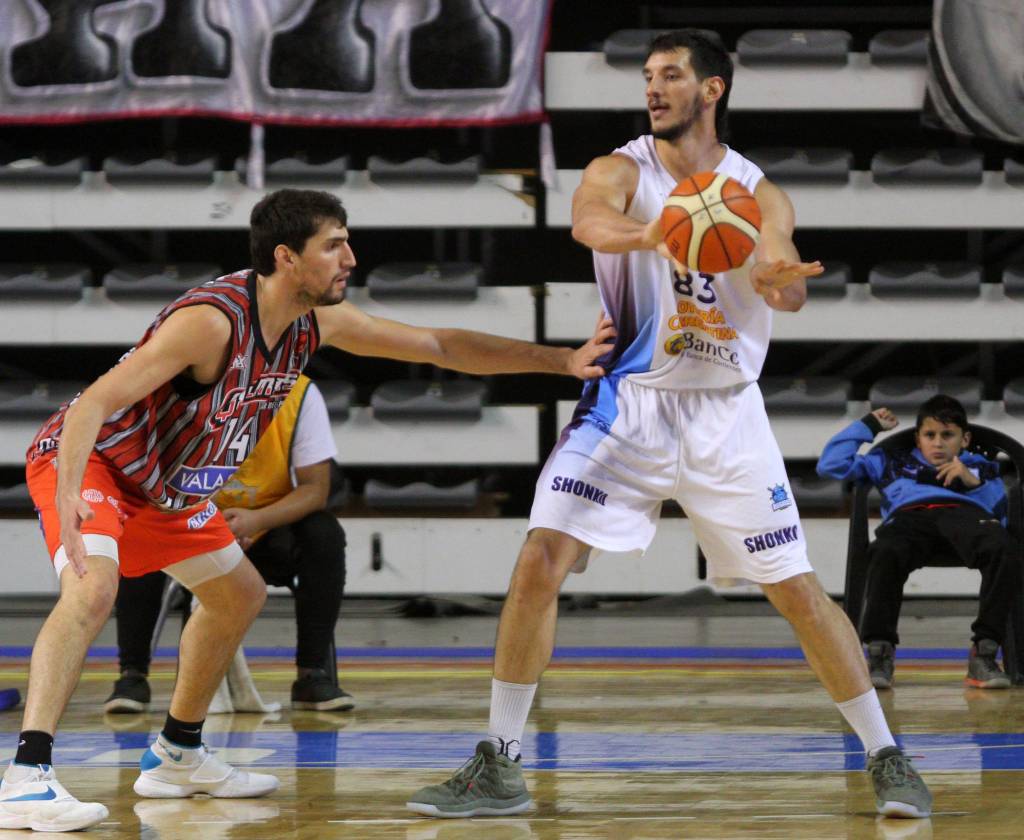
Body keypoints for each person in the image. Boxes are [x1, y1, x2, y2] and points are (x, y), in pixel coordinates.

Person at [406, 29, 932, 821]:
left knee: (797, 591)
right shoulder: (622, 170)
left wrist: (778, 279)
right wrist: (656, 231)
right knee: (541, 557)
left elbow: (785, 282)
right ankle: (500, 762)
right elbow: (589, 223)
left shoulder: (758, 191)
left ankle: (887, 755)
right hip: (628, 405)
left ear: (712, 89)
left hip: (726, 415)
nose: (653, 88)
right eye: (648, 76)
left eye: (672, 75)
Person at [0, 187, 615, 833]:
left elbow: (437, 344)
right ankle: (26, 777)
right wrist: (69, 496)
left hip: (164, 487)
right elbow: (94, 403)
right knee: (92, 589)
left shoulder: (316, 322)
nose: (350, 258)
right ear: (286, 257)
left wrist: (561, 361)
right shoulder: (211, 323)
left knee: (239, 594)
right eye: (334, 245)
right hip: (93, 462)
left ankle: (178, 755)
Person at [104, 373, 355, 715]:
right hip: (187, 521)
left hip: (263, 527)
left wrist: (257, 520)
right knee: (139, 534)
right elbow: (145, 478)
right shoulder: (174, 386)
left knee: (324, 534)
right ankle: (132, 676)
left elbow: (316, 489)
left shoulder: (300, 393)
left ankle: (312, 675)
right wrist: (204, 522)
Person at [817, 395, 1019, 690]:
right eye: (930, 435)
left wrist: (972, 483)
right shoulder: (891, 460)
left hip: (965, 518)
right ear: (918, 438)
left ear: (965, 439)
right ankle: (879, 653)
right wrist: (868, 426)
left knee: (1004, 548)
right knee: (885, 550)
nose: (938, 443)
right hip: (909, 519)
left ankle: (984, 653)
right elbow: (830, 466)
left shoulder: (980, 466)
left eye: (947, 435)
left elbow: (1002, 513)